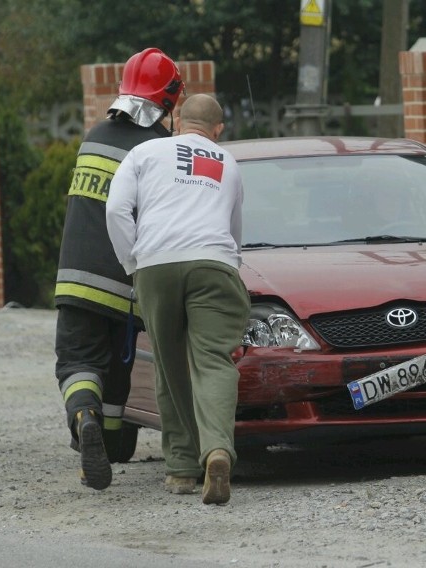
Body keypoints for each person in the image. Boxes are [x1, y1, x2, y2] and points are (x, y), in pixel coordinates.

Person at [106, 94, 249, 505]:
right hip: (213, 262)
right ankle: (217, 450)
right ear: (218, 130)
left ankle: (182, 470)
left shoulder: (144, 151)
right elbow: (234, 231)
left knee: (169, 367)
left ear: (176, 122)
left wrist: (133, 261)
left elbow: (116, 210)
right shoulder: (228, 163)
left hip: (156, 264)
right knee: (213, 362)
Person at [54, 48, 184, 490]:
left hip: (75, 278)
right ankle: (111, 446)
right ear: (169, 98)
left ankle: (83, 419)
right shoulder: (160, 149)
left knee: (76, 363)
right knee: (115, 373)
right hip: (126, 289)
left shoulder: (94, 135)